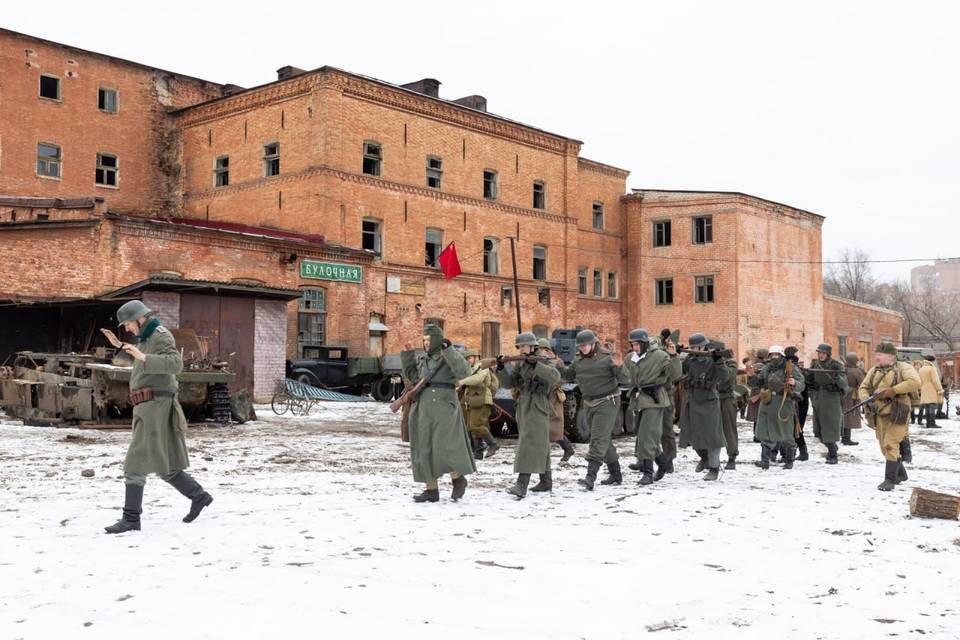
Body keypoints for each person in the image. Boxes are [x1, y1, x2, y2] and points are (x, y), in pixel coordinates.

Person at [99, 300, 213, 534]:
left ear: (140, 319)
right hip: (147, 405)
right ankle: (198, 496)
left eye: (128, 324)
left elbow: (175, 364)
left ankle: (131, 518)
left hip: (156, 405)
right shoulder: (145, 339)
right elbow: (143, 364)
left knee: (135, 462)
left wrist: (142, 357)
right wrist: (120, 346)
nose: (127, 329)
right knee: (166, 464)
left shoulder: (160, 336)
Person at [400, 324, 475, 503]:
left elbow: (464, 371)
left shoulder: (448, 356)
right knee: (424, 447)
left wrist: (448, 350)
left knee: (445, 447)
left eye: (429, 340)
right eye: (424, 340)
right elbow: (412, 376)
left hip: (444, 407)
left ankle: (458, 479)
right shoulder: (423, 359)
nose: (426, 343)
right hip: (423, 408)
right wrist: (408, 355)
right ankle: (431, 489)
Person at [558, 329, 624, 491]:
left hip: (608, 401)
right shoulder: (578, 360)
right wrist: (557, 364)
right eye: (580, 345)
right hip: (589, 402)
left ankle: (590, 477)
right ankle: (616, 474)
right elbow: (567, 375)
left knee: (597, 438)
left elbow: (625, 379)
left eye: (586, 345)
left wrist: (620, 367)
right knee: (603, 439)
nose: (583, 348)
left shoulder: (607, 358)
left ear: (593, 343)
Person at [497, 333, 561, 498]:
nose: (521, 349)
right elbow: (508, 383)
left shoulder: (542, 360)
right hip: (524, 406)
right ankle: (546, 481)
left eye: (524, 346)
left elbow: (555, 377)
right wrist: (501, 367)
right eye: (520, 347)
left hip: (538, 406)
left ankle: (521, 485)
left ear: (533, 347)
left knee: (529, 444)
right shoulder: (522, 363)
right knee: (540, 445)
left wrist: (535, 365)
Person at [858, 342, 922, 491]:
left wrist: (893, 390)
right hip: (879, 413)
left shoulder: (903, 367)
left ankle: (889, 480)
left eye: (880, 355)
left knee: (890, 443)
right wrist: (867, 400)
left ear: (890, 356)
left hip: (898, 412)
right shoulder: (874, 370)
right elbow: (863, 387)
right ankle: (901, 474)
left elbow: (915, 382)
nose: (876, 357)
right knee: (883, 447)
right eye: (876, 354)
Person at [621, 328, 681, 485]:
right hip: (639, 399)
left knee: (648, 435)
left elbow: (675, 375)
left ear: (645, 343)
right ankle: (662, 464)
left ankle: (648, 473)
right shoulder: (631, 358)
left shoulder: (660, 356)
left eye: (637, 344)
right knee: (642, 434)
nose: (634, 348)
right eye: (632, 345)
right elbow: (625, 376)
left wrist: (673, 356)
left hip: (655, 400)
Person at [678, 333, 728, 481]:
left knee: (712, 437)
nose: (694, 349)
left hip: (709, 402)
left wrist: (718, 361)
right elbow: (678, 372)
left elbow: (725, 378)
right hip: (693, 401)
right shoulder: (689, 360)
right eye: (692, 347)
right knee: (693, 434)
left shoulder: (713, 359)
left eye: (697, 346)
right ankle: (704, 457)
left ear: (704, 346)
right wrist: (676, 354)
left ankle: (714, 468)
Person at [750, 345, 805, 470]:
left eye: (777, 355)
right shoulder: (767, 368)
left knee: (786, 432)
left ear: (781, 356)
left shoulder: (789, 367)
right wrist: (751, 376)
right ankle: (765, 461)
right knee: (765, 432)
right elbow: (758, 382)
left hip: (783, 402)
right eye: (772, 355)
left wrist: (794, 383)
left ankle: (789, 461)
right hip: (767, 403)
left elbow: (801, 382)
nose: (774, 357)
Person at [806, 343, 849, 464]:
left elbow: (844, 385)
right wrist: (806, 374)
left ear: (828, 354)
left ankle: (833, 456)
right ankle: (832, 448)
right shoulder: (815, 364)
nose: (820, 355)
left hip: (831, 398)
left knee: (829, 428)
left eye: (823, 353)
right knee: (818, 429)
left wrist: (836, 376)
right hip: (818, 397)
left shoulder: (836, 365)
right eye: (819, 353)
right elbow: (809, 379)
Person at [456, 348, 501, 460]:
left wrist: (462, 381)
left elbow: (478, 379)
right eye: (467, 359)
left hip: (482, 400)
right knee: (471, 427)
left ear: (476, 358)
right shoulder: (470, 369)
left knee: (476, 426)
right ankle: (478, 452)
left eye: (470, 358)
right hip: (473, 401)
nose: (468, 361)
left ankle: (493, 444)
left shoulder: (483, 368)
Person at [537, 338, 577, 462]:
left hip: (554, 396)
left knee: (554, 426)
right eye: (539, 350)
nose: (540, 352)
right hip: (542, 395)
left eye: (542, 349)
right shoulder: (539, 361)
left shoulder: (557, 362)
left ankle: (568, 448)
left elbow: (563, 378)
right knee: (542, 426)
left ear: (547, 350)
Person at [716, 345, 741, 470]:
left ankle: (732, 457)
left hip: (727, 399)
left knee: (729, 430)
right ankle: (710, 458)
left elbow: (727, 378)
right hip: (712, 400)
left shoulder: (731, 364)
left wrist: (719, 363)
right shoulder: (710, 363)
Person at [841, 352, 864, 445]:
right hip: (851, 396)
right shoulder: (856, 371)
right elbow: (862, 383)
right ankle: (846, 439)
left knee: (843, 415)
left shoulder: (842, 369)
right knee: (849, 417)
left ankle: (843, 437)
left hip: (842, 395)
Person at [916, 356, 944, 429]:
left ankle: (928, 423)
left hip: (924, 389)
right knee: (932, 406)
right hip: (931, 389)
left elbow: (919, 380)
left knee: (927, 407)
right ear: (931, 361)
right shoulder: (932, 369)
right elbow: (935, 380)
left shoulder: (921, 369)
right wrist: (940, 389)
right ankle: (931, 423)